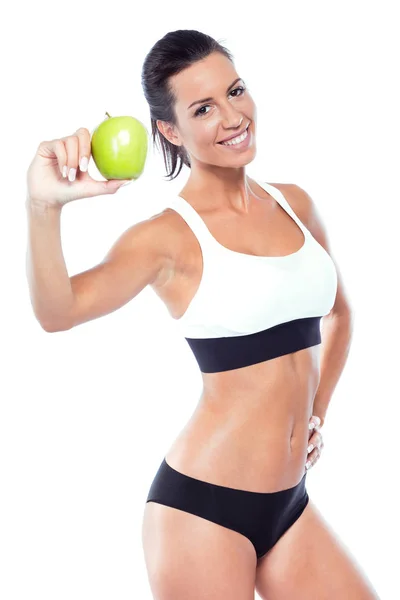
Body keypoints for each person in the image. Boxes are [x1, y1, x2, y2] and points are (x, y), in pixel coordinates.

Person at [25, 28, 380, 600]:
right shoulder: (166, 238)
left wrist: (316, 411)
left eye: (236, 92)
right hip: (202, 512)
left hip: (290, 505)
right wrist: (42, 206)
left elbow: (339, 315)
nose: (232, 116)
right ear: (170, 129)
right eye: (203, 108)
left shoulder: (296, 203)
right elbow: (57, 312)